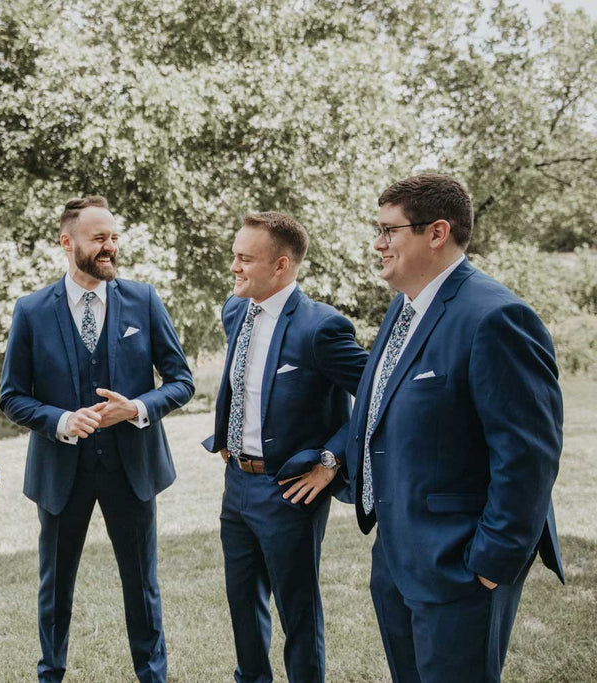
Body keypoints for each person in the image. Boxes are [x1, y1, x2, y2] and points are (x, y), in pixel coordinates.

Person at [348, 173, 563, 682]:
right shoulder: (404, 311)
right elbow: (381, 416)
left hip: (461, 568)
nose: (377, 243)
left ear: (437, 233)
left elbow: (528, 455)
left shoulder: (496, 317)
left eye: (388, 230)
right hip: (399, 559)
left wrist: (490, 563)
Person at [0, 195, 193, 683]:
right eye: (98, 238)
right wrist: (61, 421)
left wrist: (139, 408)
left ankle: (152, 675)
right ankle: (51, 673)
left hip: (133, 469)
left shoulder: (143, 299)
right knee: (55, 584)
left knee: (142, 583)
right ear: (68, 242)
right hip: (62, 474)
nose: (110, 247)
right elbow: (12, 396)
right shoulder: (31, 310)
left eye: (114, 237)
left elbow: (181, 380)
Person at [202, 211, 368, 682]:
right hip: (236, 484)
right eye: (234, 255)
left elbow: (380, 393)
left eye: (244, 259)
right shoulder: (235, 309)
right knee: (242, 603)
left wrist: (332, 461)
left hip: (290, 489)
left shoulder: (322, 328)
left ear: (281, 266)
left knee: (298, 611)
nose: (233, 267)